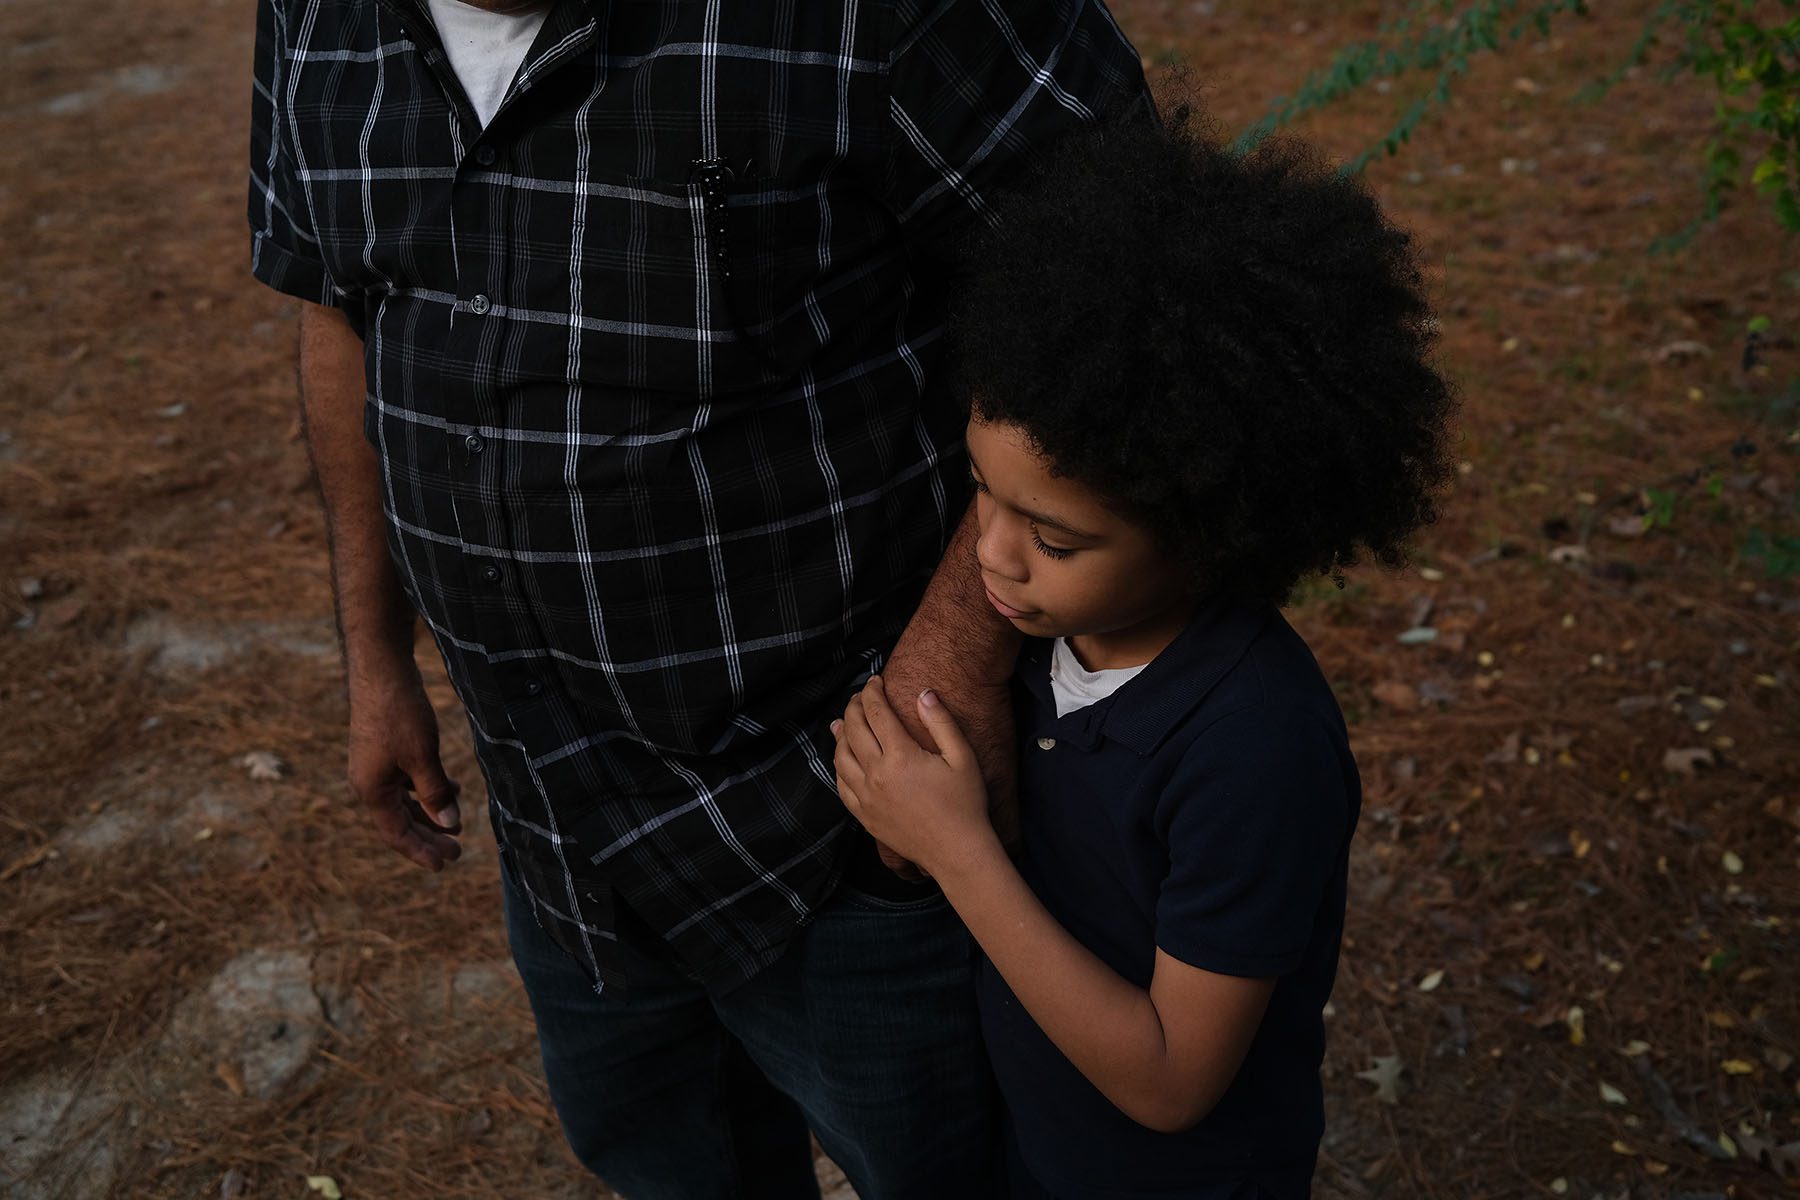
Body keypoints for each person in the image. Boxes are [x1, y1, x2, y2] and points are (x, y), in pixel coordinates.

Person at [246, 0, 1148, 1195]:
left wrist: (958, 654)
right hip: (558, 821)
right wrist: (376, 657)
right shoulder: (315, 14)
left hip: (858, 810)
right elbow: (340, 309)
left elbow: (1128, 265)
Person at [832, 112, 1456, 1199]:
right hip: (1037, 1153)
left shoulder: (1254, 746)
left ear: (1215, 523)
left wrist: (955, 848)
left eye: (1056, 538)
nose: (993, 555)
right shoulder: (1043, 646)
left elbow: (1172, 1079)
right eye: (981, 492)